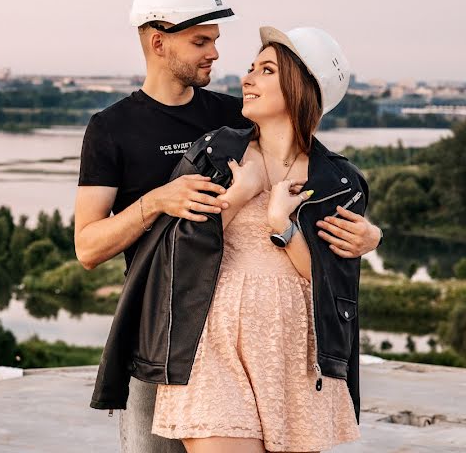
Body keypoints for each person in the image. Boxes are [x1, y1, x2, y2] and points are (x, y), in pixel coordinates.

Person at [74, 0, 382, 453]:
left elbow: (305, 157)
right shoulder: (113, 129)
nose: (217, 54)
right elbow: (89, 248)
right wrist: (159, 201)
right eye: (201, 42)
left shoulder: (229, 118)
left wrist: (369, 235)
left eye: (215, 40)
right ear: (159, 42)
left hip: (276, 347)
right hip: (166, 329)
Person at [151, 26, 365, 452]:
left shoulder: (339, 180)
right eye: (252, 68)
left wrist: (280, 224)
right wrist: (237, 197)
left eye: (266, 70)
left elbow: (328, 279)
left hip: (294, 353)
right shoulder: (213, 153)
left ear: (303, 89)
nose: (247, 79)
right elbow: (175, 251)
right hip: (211, 338)